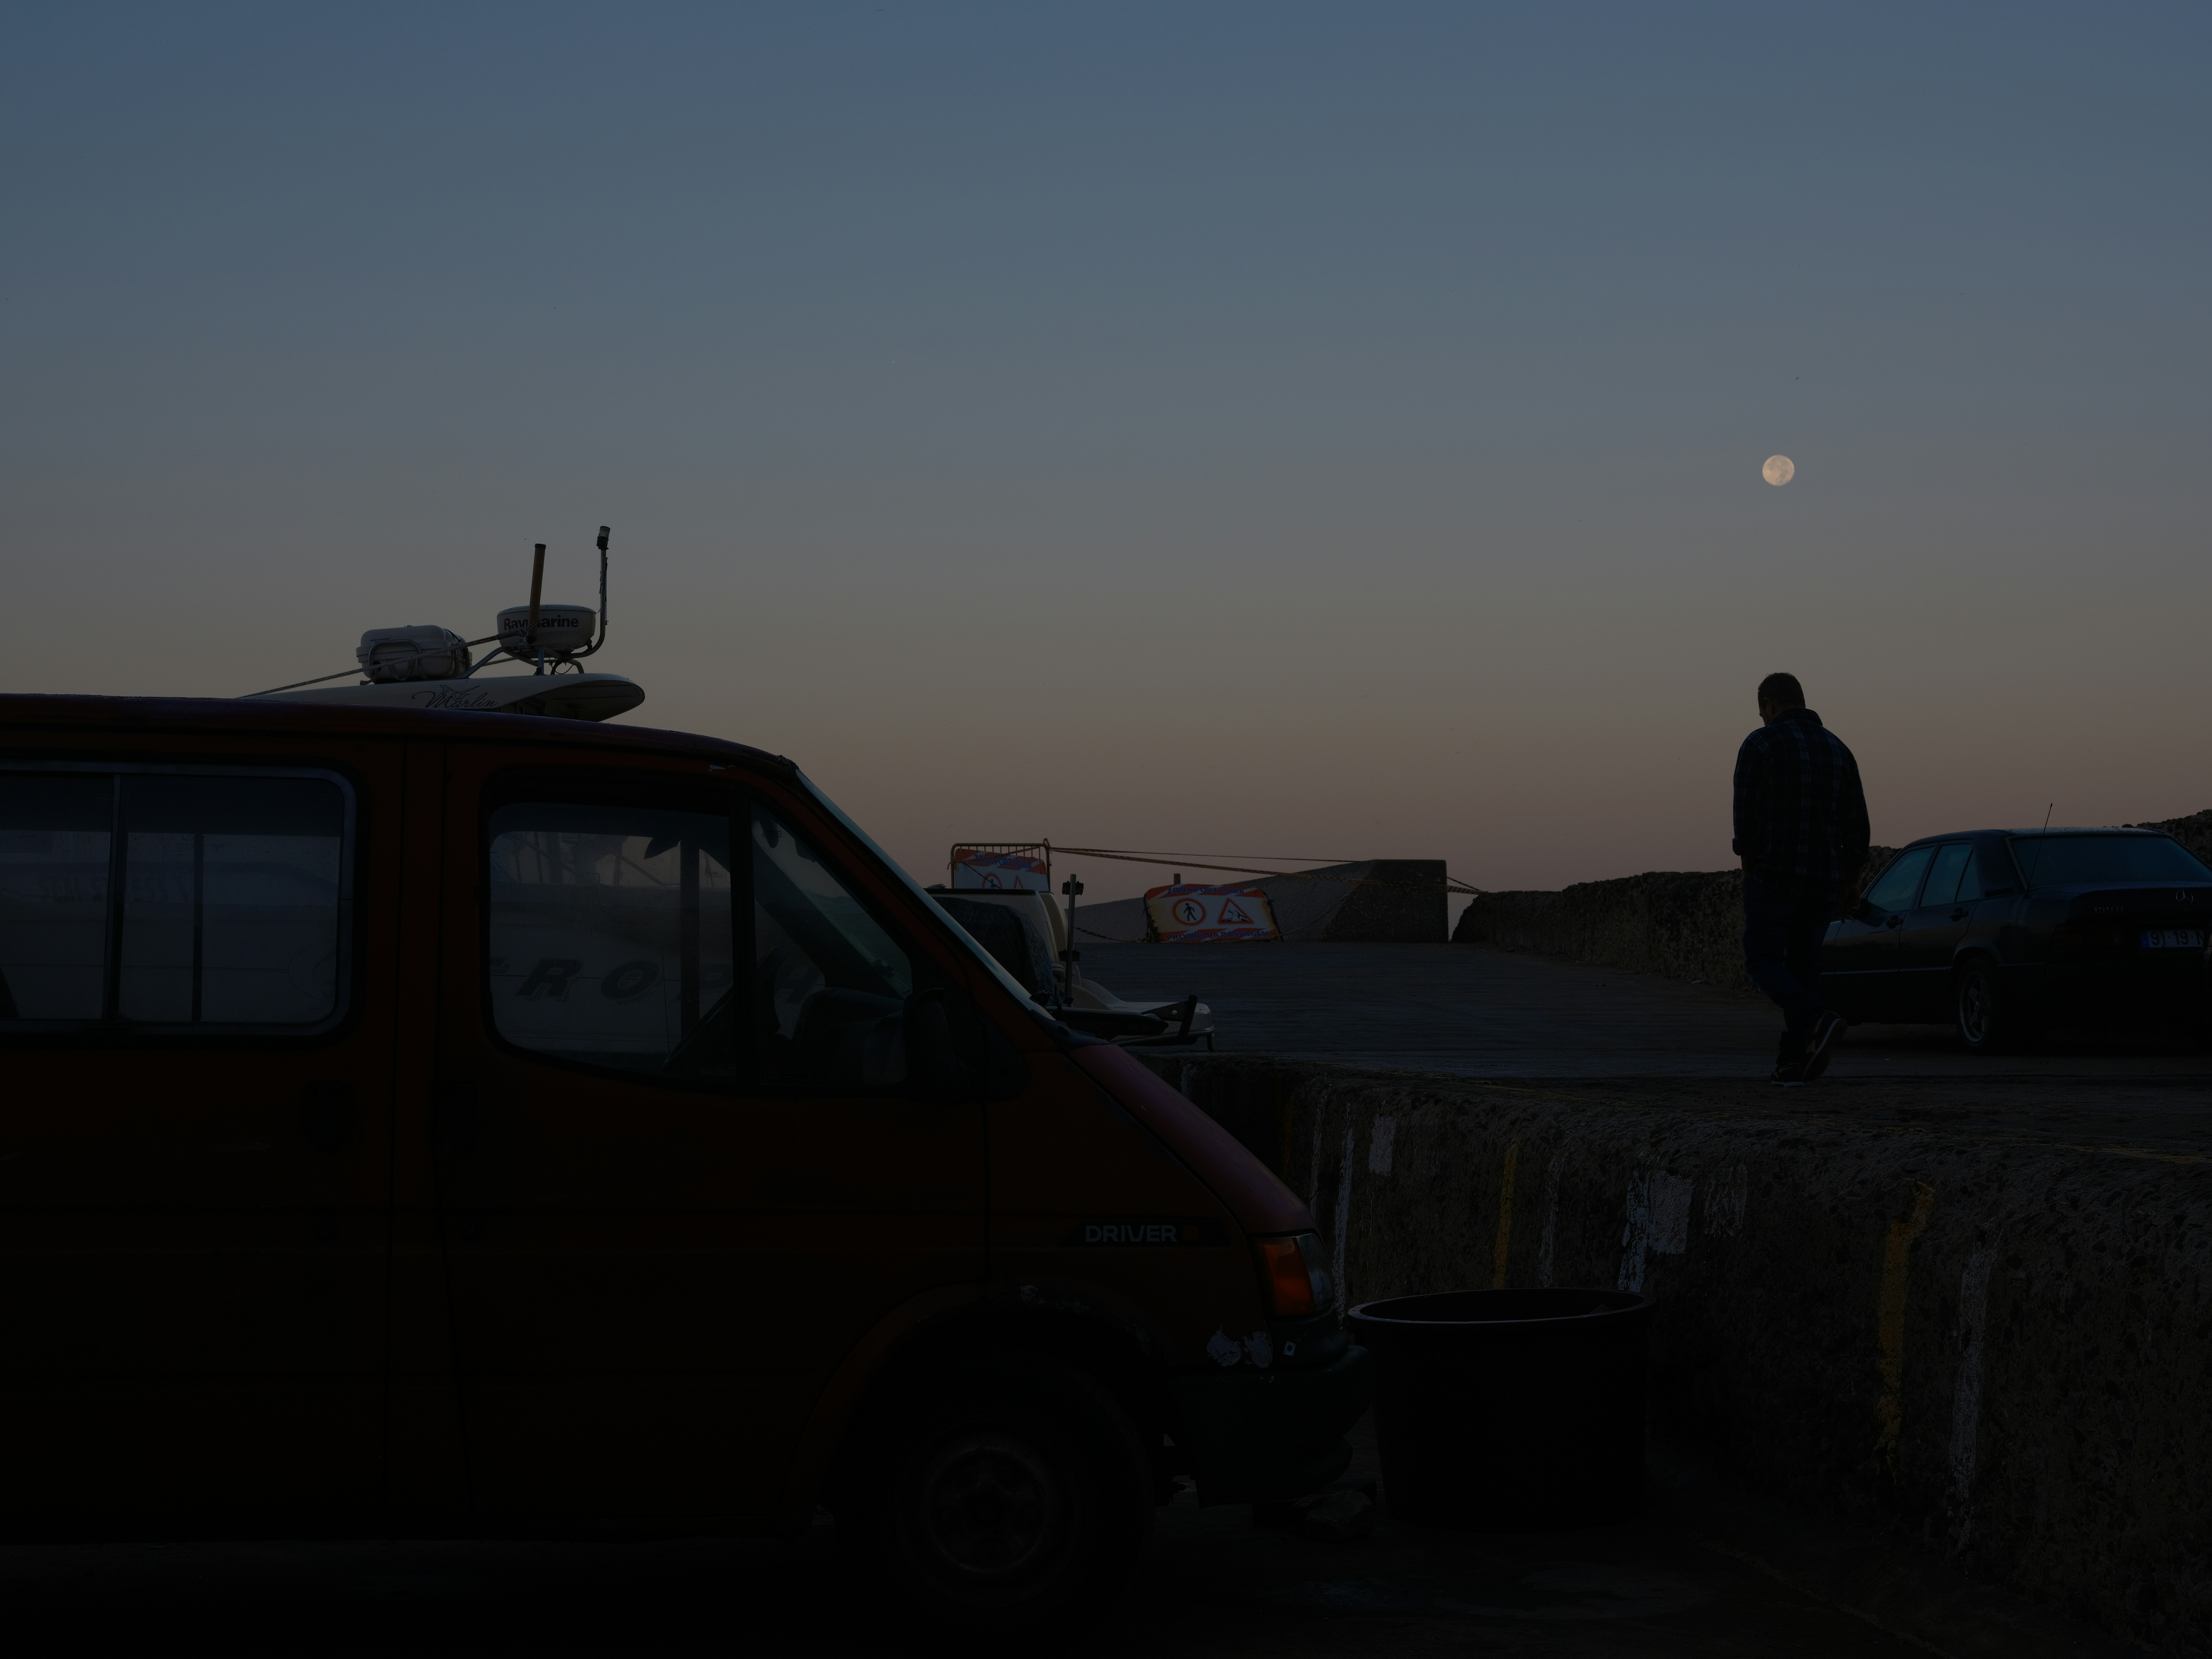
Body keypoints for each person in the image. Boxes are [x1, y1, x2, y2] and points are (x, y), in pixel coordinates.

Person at [1733, 673, 1870, 1084]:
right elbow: (1857, 826)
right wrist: (1848, 879)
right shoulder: (1839, 749)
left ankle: (1815, 1019)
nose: (1762, 718)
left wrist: (1749, 868)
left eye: (1762, 711)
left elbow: (1747, 820)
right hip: (1823, 879)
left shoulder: (1760, 744)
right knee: (1806, 968)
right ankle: (1795, 1062)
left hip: (1775, 875)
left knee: (1762, 959)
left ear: (1771, 704)